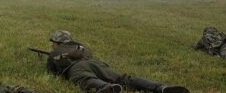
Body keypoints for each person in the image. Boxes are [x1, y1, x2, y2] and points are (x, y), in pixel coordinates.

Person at [44, 30, 188, 93]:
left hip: (77, 67)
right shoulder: (82, 47)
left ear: (56, 42)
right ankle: (160, 88)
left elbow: (51, 71)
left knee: (86, 79)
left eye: (53, 43)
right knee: (125, 79)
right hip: (97, 64)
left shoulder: (54, 53)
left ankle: (106, 88)